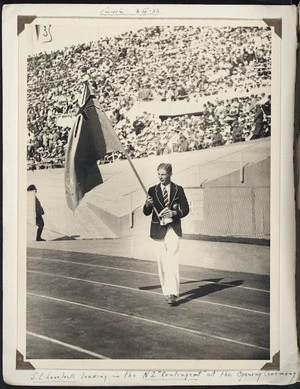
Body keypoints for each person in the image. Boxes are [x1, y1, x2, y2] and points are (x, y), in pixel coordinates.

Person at [143, 163, 189, 306]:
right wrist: (148, 204)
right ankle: (166, 291)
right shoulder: (152, 190)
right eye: (158, 174)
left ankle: (172, 293)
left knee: (173, 259)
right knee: (162, 263)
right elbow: (146, 212)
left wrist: (175, 213)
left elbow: (186, 209)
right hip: (158, 231)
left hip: (173, 229)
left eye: (163, 174)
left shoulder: (178, 189)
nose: (160, 177)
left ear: (170, 174)